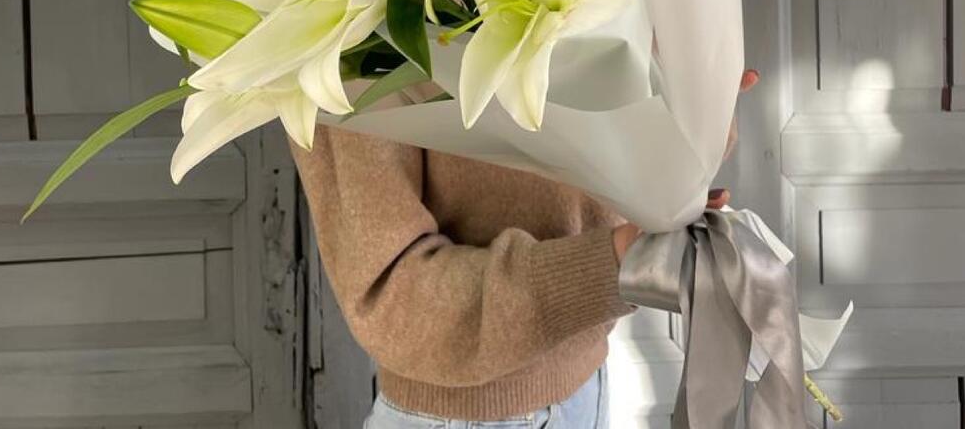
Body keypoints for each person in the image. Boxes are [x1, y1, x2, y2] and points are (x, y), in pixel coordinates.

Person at [291, 69, 759, 428]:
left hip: (586, 386)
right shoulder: (353, 25)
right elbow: (392, 296)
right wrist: (609, 264)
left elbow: (609, 159)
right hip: (462, 415)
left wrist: (695, 122)